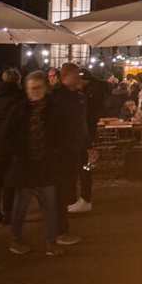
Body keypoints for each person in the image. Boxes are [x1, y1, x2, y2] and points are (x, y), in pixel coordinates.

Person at [2, 71, 63, 256]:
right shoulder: (19, 109)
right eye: (31, 89)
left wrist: (55, 151)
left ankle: (51, 241)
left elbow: (59, 133)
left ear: (45, 88)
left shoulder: (53, 109)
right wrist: (18, 152)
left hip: (45, 164)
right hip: (25, 165)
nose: (35, 92)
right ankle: (16, 238)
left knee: (50, 204)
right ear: (26, 90)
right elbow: (6, 135)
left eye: (38, 88)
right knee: (22, 204)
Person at [47, 62, 92, 245]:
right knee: (58, 192)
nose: (79, 76)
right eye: (75, 73)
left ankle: (60, 230)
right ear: (67, 75)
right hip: (58, 151)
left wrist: (88, 145)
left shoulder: (78, 96)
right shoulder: (54, 96)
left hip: (72, 149)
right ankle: (58, 232)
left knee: (64, 189)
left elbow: (82, 123)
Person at [68, 69, 109, 214]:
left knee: (84, 166)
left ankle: (85, 197)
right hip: (84, 135)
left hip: (85, 136)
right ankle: (82, 197)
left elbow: (86, 118)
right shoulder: (91, 92)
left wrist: (88, 142)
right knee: (82, 165)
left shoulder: (90, 94)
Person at [0, 69, 24, 224]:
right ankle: (8, 212)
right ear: (18, 80)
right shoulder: (20, 96)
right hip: (13, 141)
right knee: (10, 179)